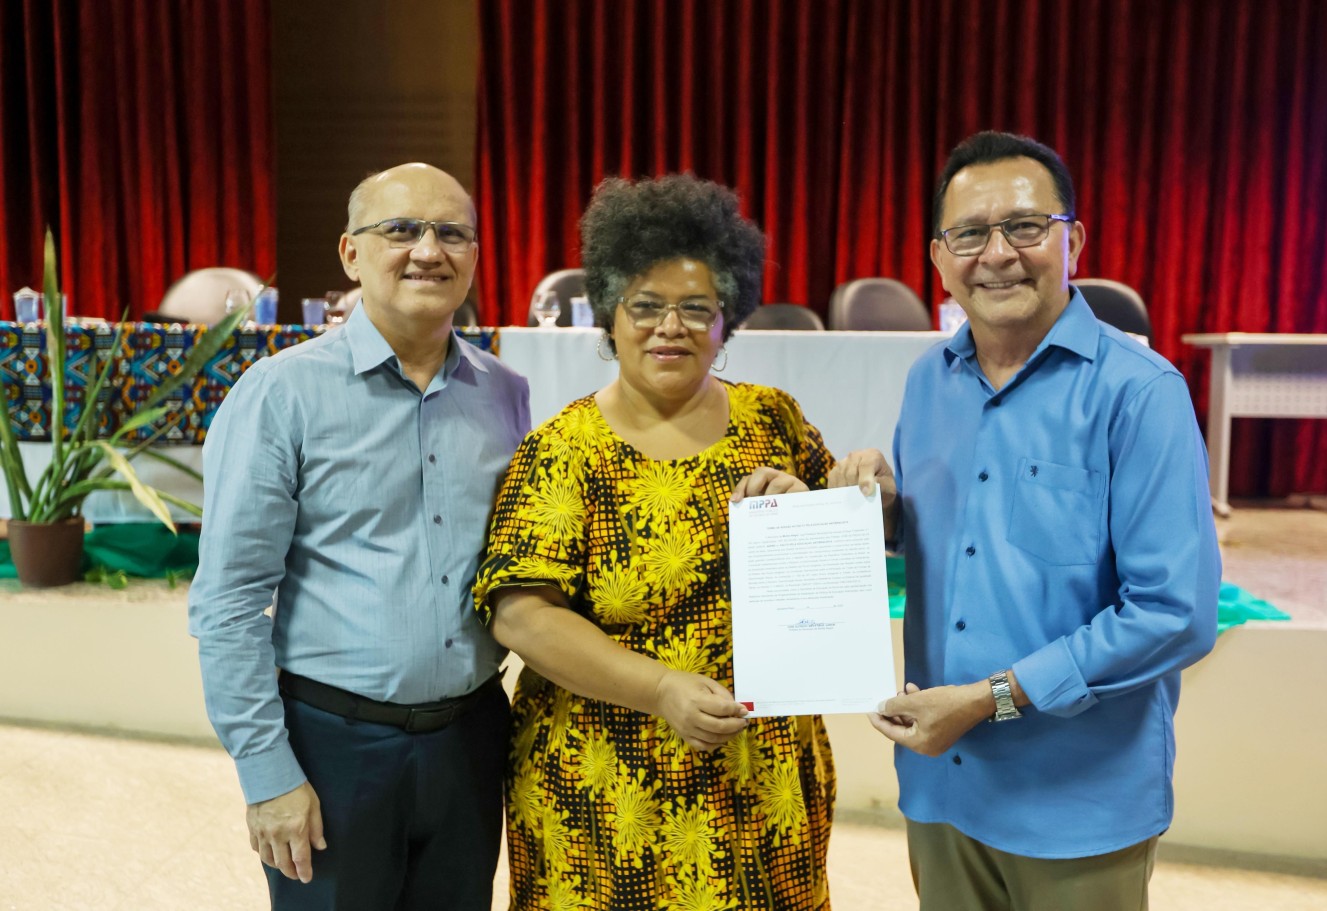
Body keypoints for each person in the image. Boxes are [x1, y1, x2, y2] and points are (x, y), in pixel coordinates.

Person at [829, 131, 1221, 911]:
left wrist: (988, 699)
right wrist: (877, 513)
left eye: (1025, 227)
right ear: (939, 258)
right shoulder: (927, 382)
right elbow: (958, 543)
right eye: (970, 233)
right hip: (943, 784)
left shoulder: (1140, 393)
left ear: (1073, 239)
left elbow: (1175, 614)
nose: (998, 254)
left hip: (1077, 800)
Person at [474, 174, 837, 910]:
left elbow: (841, 568)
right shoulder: (565, 447)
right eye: (645, 306)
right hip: (603, 789)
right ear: (610, 314)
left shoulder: (778, 422)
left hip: (758, 780)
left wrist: (824, 508)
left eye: (695, 308)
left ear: (725, 320)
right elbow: (519, 613)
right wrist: (662, 688)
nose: (669, 326)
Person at [189, 162, 530, 910]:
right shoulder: (280, 395)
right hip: (333, 746)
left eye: (452, 232)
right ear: (350, 253)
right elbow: (229, 601)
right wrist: (266, 771)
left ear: (474, 254)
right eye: (401, 229)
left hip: (471, 738)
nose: (427, 250)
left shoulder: (507, 394)